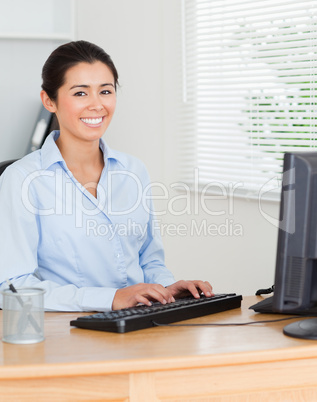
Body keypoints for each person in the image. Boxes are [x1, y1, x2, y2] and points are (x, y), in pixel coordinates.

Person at [0, 40, 213, 311]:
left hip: (137, 325)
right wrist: (110, 299)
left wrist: (165, 289)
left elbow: (149, 260)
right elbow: (12, 285)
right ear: (49, 100)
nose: (97, 105)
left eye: (105, 91)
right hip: (65, 334)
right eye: (80, 93)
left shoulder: (133, 171)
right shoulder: (22, 180)